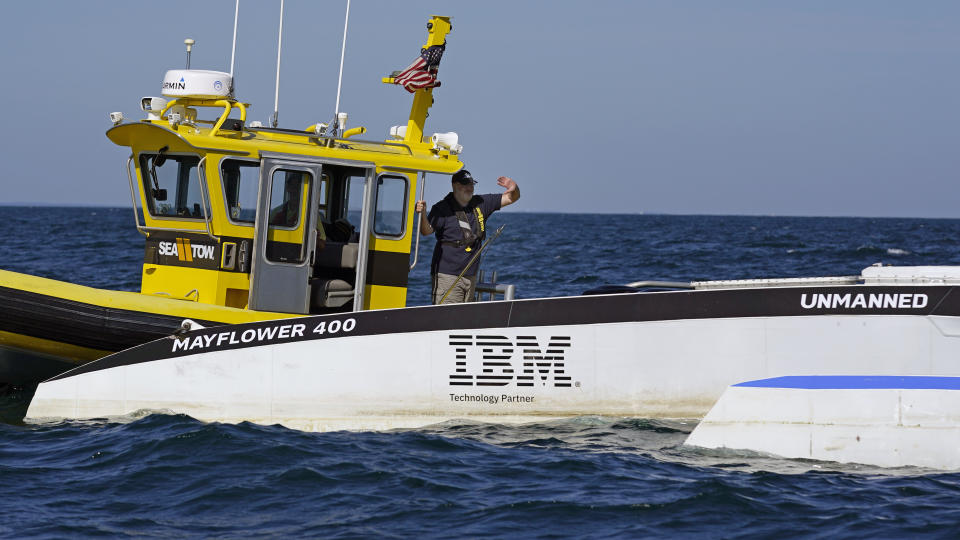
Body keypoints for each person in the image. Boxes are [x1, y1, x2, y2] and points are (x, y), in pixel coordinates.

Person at [416, 169, 520, 304]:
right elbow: (426, 231)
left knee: (464, 320)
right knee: (447, 319)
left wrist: (514, 187)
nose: (470, 188)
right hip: (447, 277)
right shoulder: (441, 208)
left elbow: (512, 197)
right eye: (465, 184)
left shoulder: (481, 202)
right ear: (455, 186)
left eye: (472, 184)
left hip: (471, 277)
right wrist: (422, 214)